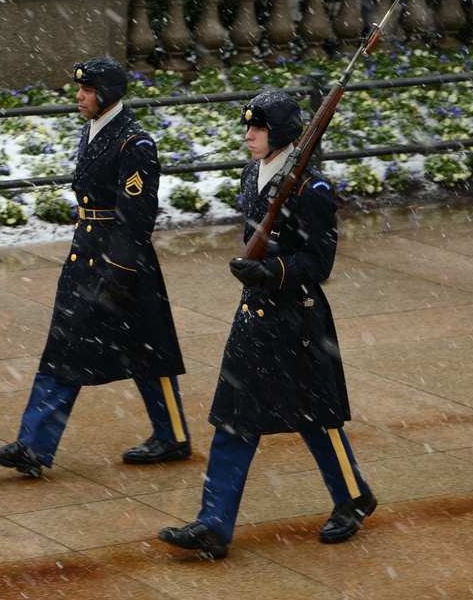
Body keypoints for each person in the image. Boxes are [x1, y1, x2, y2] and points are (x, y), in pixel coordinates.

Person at [159, 90, 376, 559]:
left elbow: (319, 263)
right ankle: (214, 525)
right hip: (254, 313)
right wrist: (254, 270)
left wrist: (272, 270)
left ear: (279, 135)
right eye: (248, 127)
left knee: (317, 418)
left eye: (257, 129)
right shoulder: (251, 173)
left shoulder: (311, 189)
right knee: (234, 419)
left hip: (295, 317)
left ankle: (354, 499)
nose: (249, 136)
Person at [0, 56, 191, 478]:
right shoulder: (94, 131)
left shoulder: (135, 144)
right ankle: (36, 447)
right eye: (81, 89)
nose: (79, 96)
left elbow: (137, 216)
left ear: (107, 95)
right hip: (86, 255)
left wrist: (118, 271)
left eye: (87, 90)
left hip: (118, 261)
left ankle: (170, 437)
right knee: (77, 348)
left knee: (147, 351)